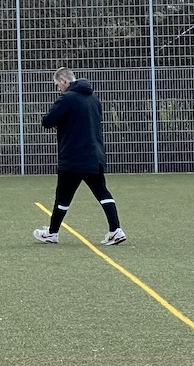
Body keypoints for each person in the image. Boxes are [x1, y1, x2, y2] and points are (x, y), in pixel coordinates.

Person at [34, 67, 127, 246]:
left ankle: (52, 233)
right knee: (103, 193)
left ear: (63, 81)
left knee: (63, 197)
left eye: (57, 85)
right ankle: (116, 230)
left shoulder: (67, 98)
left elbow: (47, 121)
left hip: (73, 157)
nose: (58, 89)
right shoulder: (93, 99)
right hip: (94, 156)